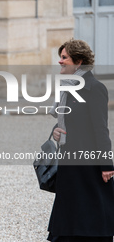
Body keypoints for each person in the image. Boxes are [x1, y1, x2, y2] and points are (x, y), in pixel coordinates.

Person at [47, 39, 114, 242]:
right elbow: (67, 121)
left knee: (90, 220)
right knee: (68, 220)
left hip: (88, 165)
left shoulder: (95, 88)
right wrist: (56, 131)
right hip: (69, 164)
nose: (60, 61)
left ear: (78, 61)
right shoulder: (67, 88)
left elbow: (101, 129)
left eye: (64, 57)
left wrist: (106, 165)